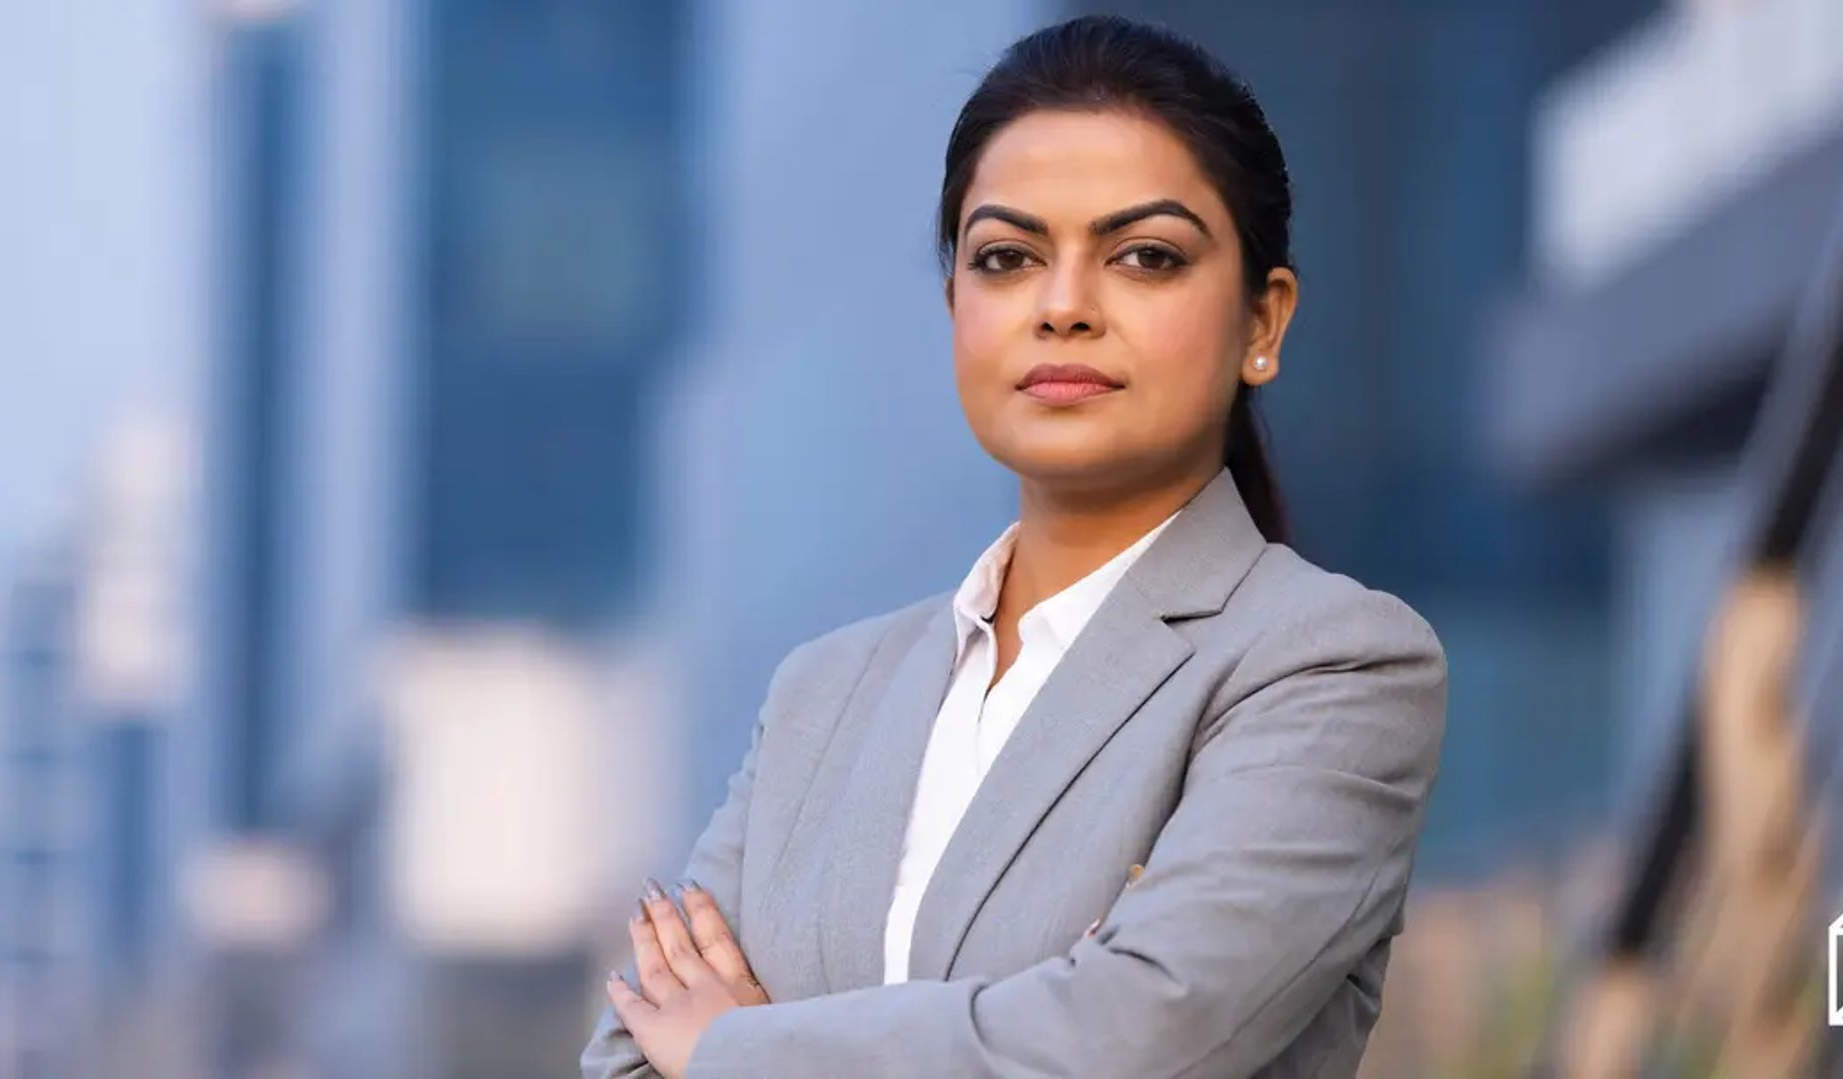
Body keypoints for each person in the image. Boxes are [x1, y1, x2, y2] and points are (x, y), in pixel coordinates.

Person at [581, 13, 1446, 1078]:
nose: (1064, 305)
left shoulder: (1328, 662)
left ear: (1263, 321)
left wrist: (733, 1044)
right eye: (1007, 256)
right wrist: (1026, 1010)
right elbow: (628, 1053)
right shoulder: (823, 697)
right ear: (956, 304)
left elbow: (1125, 1041)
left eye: (1144, 256)